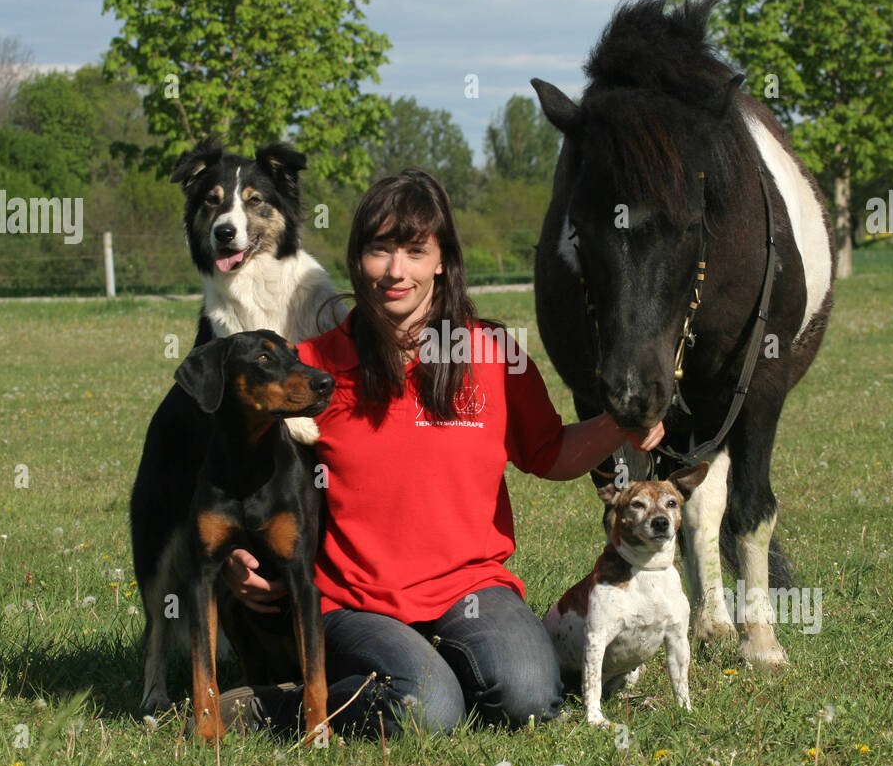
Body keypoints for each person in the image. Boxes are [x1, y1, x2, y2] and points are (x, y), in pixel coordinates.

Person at [219, 168, 662, 737]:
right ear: (358, 261)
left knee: (529, 694)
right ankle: (273, 708)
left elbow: (549, 454)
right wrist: (237, 550)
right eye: (379, 250)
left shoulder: (496, 354)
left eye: (414, 250)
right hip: (354, 600)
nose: (396, 271)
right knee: (429, 709)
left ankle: (420, 669)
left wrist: (617, 423)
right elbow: (229, 460)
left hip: (471, 589)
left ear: (443, 261)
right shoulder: (311, 367)